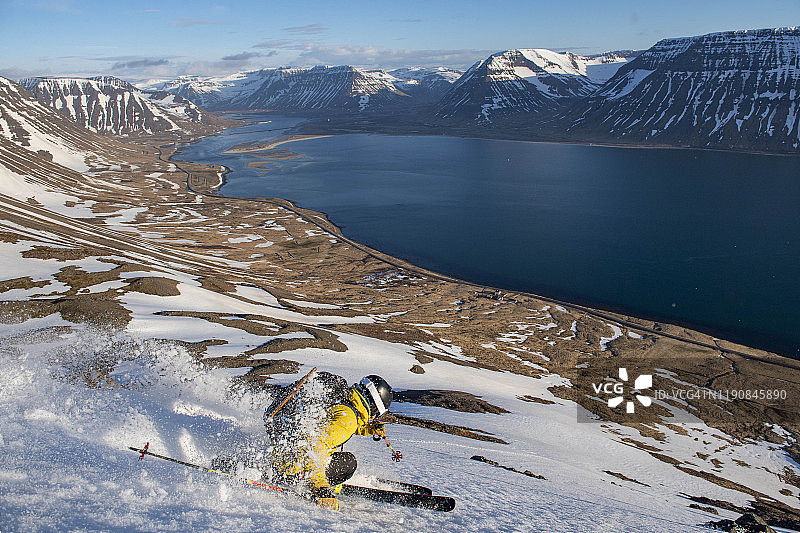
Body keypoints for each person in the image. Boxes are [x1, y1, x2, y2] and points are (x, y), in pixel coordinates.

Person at [264, 373, 393, 511]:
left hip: (284, 456)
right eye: (377, 413)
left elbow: (336, 424)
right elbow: (315, 447)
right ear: (373, 405)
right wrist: (321, 488)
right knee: (348, 462)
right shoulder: (348, 420)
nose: (374, 417)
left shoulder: (345, 403)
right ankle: (309, 481)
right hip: (292, 469)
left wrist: (369, 429)